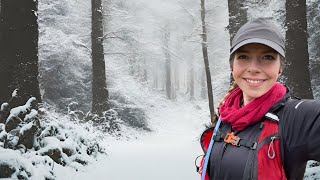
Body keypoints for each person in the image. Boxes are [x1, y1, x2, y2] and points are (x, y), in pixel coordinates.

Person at [198, 18, 320, 180]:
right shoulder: (225, 115)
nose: (254, 68)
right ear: (232, 66)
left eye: (268, 57)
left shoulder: (296, 118)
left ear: (280, 69)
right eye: (243, 57)